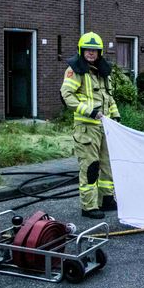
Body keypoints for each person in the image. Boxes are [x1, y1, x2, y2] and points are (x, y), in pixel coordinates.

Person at [60, 32, 120, 219]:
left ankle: (106, 199)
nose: (91, 53)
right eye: (87, 50)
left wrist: (115, 115)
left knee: (107, 165)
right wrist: (89, 111)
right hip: (87, 128)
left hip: (105, 127)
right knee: (90, 167)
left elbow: (109, 97)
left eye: (94, 50)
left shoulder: (103, 72)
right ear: (81, 50)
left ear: (99, 52)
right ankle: (89, 206)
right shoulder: (76, 70)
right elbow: (66, 95)